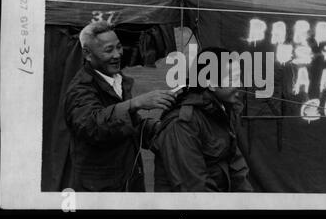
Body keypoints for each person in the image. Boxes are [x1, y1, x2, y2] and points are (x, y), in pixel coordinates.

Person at [64, 20, 178, 192]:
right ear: (87, 53)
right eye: (109, 50)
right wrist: (135, 103)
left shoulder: (118, 81)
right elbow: (92, 126)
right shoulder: (80, 89)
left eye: (119, 47)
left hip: (129, 181)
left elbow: (128, 125)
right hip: (99, 190)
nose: (117, 55)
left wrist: (163, 129)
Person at [151, 47, 253, 192]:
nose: (240, 85)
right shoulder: (182, 124)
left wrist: (248, 202)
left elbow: (236, 167)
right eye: (233, 79)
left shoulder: (221, 110)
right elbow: (194, 186)